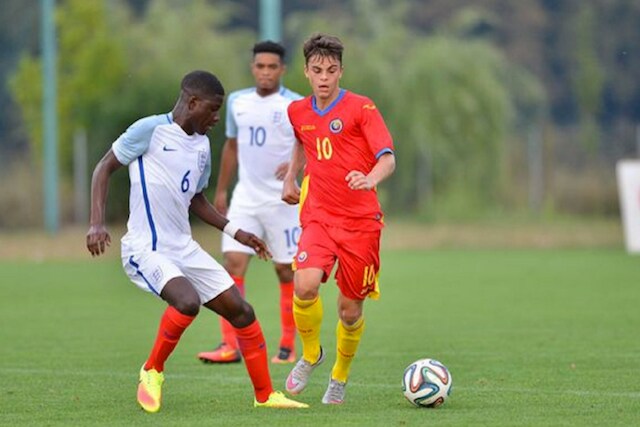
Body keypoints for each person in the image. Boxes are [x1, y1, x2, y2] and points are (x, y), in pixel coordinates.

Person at [86, 70, 308, 412]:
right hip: (146, 248)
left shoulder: (202, 145)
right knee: (187, 302)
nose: (217, 117)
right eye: (213, 108)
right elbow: (103, 168)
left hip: (184, 248)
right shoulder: (150, 130)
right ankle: (152, 370)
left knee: (242, 311)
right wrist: (96, 223)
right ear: (192, 102)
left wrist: (238, 232)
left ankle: (265, 396)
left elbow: (196, 200)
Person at [281, 34, 396, 405]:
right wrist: (290, 176)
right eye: (317, 71)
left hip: (362, 223)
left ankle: (339, 377)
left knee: (349, 310)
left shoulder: (362, 108)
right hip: (319, 216)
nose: (324, 77)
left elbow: (388, 158)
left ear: (341, 71)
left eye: (331, 70)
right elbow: (302, 139)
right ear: (306, 72)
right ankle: (311, 354)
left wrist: (370, 179)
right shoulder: (297, 110)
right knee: (304, 284)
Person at [197, 41, 303, 365]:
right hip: (246, 195)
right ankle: (231, 344)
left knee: (286, 271)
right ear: (253, 68)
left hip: (283, 199)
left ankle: (287, 345)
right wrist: (221, 190)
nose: (266, 72)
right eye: (261, 66)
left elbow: (311, 145)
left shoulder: (296, 105)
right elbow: (231, 146)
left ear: (282, 70)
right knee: (233, 264)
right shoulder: (238, 102)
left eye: (273, 67)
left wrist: (297, 168)